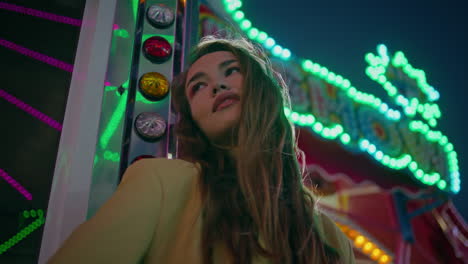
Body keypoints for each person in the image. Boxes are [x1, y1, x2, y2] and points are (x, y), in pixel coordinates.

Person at [47, 35, 355, 264]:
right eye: (198, 86)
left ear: (261, 88)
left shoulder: (331, 239)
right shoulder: (163, 182)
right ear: (193, 121)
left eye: (230, 71)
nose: (217, 87)